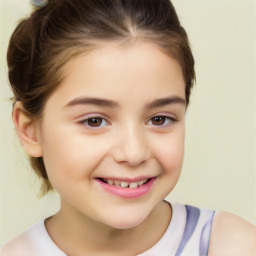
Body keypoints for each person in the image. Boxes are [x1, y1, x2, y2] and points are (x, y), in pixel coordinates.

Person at [1, 0, 255, 255]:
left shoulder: (233, 246)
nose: (134, 153)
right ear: (30, 130)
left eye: (159, 119)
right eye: (94, 121)